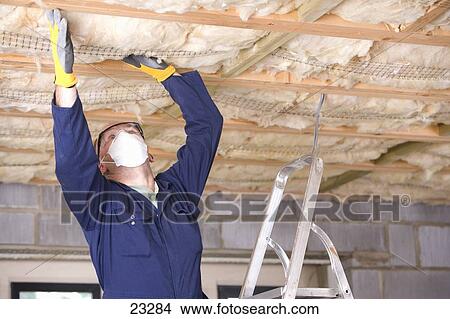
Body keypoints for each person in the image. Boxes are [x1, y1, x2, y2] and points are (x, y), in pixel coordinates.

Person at [48, 9, 223, 298]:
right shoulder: (96, 202)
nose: (126, 135)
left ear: (149, 153)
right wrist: (64, 83)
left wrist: (168, 76)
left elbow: (208, 126)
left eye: (133, 130)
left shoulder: (179, 189)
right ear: (102, 165)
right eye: (113, 137)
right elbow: (73, 162)